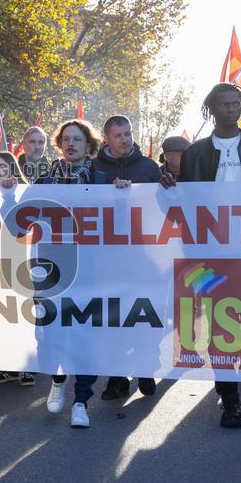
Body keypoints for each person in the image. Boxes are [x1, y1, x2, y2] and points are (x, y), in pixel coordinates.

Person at [161, 82, 241, 434]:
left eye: (237, 103)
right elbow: (183, 208)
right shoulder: (196, 154)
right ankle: (230, 400)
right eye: (226, 104)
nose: (233, 109)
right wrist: (166, 193)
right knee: (221, 329)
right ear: (213, 109)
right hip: (211, 259)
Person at [36, 120, 108, 427]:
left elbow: (118, 219)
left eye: (77, 139)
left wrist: (123, 195)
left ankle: (81, 401)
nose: (71, 144)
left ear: (88, 144)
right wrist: (10, 193)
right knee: (52, 331)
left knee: (85, 335)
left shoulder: (102, 178)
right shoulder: (44, 180)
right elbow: (18, 214)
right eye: (66, 139)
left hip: (90, 268)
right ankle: (58, 379)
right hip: (52, 267)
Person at [93, 114, 161, 400]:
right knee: (113, 320)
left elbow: (166, 205)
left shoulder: (148, 167)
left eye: (128, 133)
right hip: (106, 258)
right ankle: (117, 378)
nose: (125, 139)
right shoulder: (94, 168)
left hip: (144, 257)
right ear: (106, 138)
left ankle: (145, 368)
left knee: (143, 315)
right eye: (119, 135)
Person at [0, 151, 34, 387]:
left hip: (21, 259)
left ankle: (26, 366)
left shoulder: (25, 190)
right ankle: (4, 364)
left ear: (12, 167)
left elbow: (24, 224)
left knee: (23, 314)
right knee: (2, 315)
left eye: (3, 165)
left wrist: (9, 197)